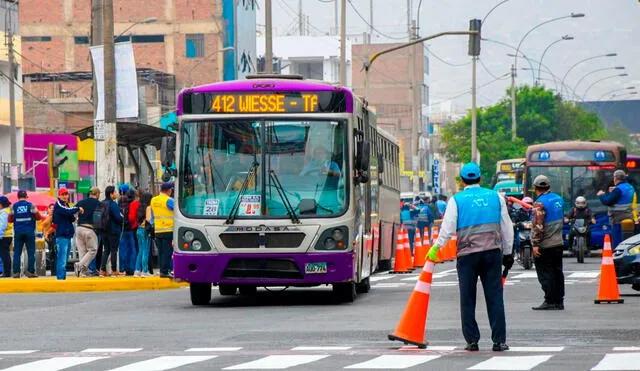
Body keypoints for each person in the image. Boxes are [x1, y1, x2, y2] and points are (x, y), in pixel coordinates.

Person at [426, 163, 514, 352]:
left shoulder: (456, 200)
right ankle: (499, 341)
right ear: (480, 178)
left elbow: (447, 228)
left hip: (467, 257)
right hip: (492, 254)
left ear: (462, 180)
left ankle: (472, 341)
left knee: (467, 298)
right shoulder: (496, 197)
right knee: (495, 297)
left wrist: (436, 248)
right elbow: (506, 226)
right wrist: (508, 252)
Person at [530, 175, 566, 310]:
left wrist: (535, 244)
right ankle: (559, 301)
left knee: (546, 273)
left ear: (535, 188)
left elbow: (538, 226)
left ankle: (549, 300)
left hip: (546, 244)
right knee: (558, 272)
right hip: (558, 242)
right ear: (548, 186)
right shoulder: (558, 199)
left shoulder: (539, 203)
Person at [597, 169, 635, 248]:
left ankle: (618, 256)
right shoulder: (629, 187)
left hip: (618, 218)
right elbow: (622, 198)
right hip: (629, 216)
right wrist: (613, 191)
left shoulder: (618, 189)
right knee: (628, 239)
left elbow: (607, 201)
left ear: (615, 178)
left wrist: (601, 195)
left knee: (618, 240)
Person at [9, 190, 42, 278]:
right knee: (31, 252)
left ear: (18, 197)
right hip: (29, 232)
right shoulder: (31, 205)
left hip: (18, 232)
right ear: (26, 196)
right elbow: (38, 217)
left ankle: (16, 272)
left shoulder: (13, 206)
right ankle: (30, 272)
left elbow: (10, 219)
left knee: (17, 253)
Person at [52, 187, 82, 280]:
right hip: (61, 236)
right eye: (63, 194)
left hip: (67, 235)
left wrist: (75, 217)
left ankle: (62, 278)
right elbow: (66, 211)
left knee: (64, 259)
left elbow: (71, 217)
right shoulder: (58, 205)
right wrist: (77, 208)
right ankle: (60, 279)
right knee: (62, 259)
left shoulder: (66, 205)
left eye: (66, 194)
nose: (65, 196)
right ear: (59, 195)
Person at [75, 187, 101, 277]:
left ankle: (82, 272)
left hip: (79, 228)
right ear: (97, 194)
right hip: (89, 228)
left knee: (82, 251)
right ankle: (79, 265)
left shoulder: (81, 202)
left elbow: (74, 212)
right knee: (93, 250)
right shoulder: (98, 203)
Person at [151, 182, 175, 278]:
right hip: (168, 230)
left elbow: (153, 216)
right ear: (169, 190)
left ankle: (162, 270)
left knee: (161, 252)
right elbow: (178, 211)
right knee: (167, 252)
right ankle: (165, 272)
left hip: (158, 230)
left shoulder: (153, 200)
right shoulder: (169, 200)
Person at [100, 185, 124, 277]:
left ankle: (102, 270)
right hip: (113, 230)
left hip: (103, 230)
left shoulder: (101, 203)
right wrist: (122, 217)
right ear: (111, 194)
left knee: (106, 250)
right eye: (115, 192)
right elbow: (118, 218)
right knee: (114, 250)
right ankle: (114, 270)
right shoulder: (113, 204)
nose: (117, 194)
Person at [118, 186, 136, 276]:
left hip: (122, 228)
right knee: (132, 249)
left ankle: (122, 268)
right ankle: (131, 268)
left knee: (122, 249)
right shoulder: (132, 201)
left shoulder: (119, 201)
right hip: (131, 228)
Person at [134, 192, 153, 277]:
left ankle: (137, 270)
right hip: (145, 230)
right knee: (146, 250)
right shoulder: (148, 207)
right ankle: (145, 271)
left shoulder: (140, 207)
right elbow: (148, 219)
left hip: (139, 229)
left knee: (140, 250)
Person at [41, 204, 57, 276]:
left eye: (53, 208)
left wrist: (47, 233)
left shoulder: (55, 217)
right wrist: (45, 234)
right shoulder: (47, 217)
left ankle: (55, 272)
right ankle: (53, 271)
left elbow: (54, 227)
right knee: (51, 254)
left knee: (54, 253)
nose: (52, 209)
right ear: (48, 209)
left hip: (53, 235)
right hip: (48, 237)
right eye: (50, 208)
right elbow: (43, 227)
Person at [0, 196, 13, 277]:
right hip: (8, 235)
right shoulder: (8, 211)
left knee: (4, 255)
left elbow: (3, 225)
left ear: (1, 204)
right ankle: (7, 272)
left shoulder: (4, 212)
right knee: (6, 254)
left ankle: (6, 273)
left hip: (4, 236)